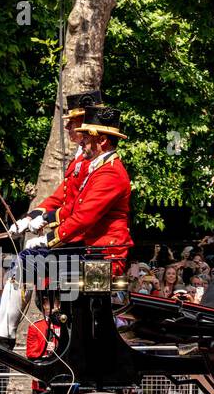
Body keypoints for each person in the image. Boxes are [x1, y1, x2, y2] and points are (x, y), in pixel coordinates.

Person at [11, 103, 133, 269]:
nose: (82, 142)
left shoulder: (110, 173)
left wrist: (47, 238)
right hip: (89, 247)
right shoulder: (98, 167)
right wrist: (34, 217)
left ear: (103, 140)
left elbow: (83, 216)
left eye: (87, 139)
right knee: (27, 261)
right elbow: (73, 206)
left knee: (26, 262)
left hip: (103, 252)